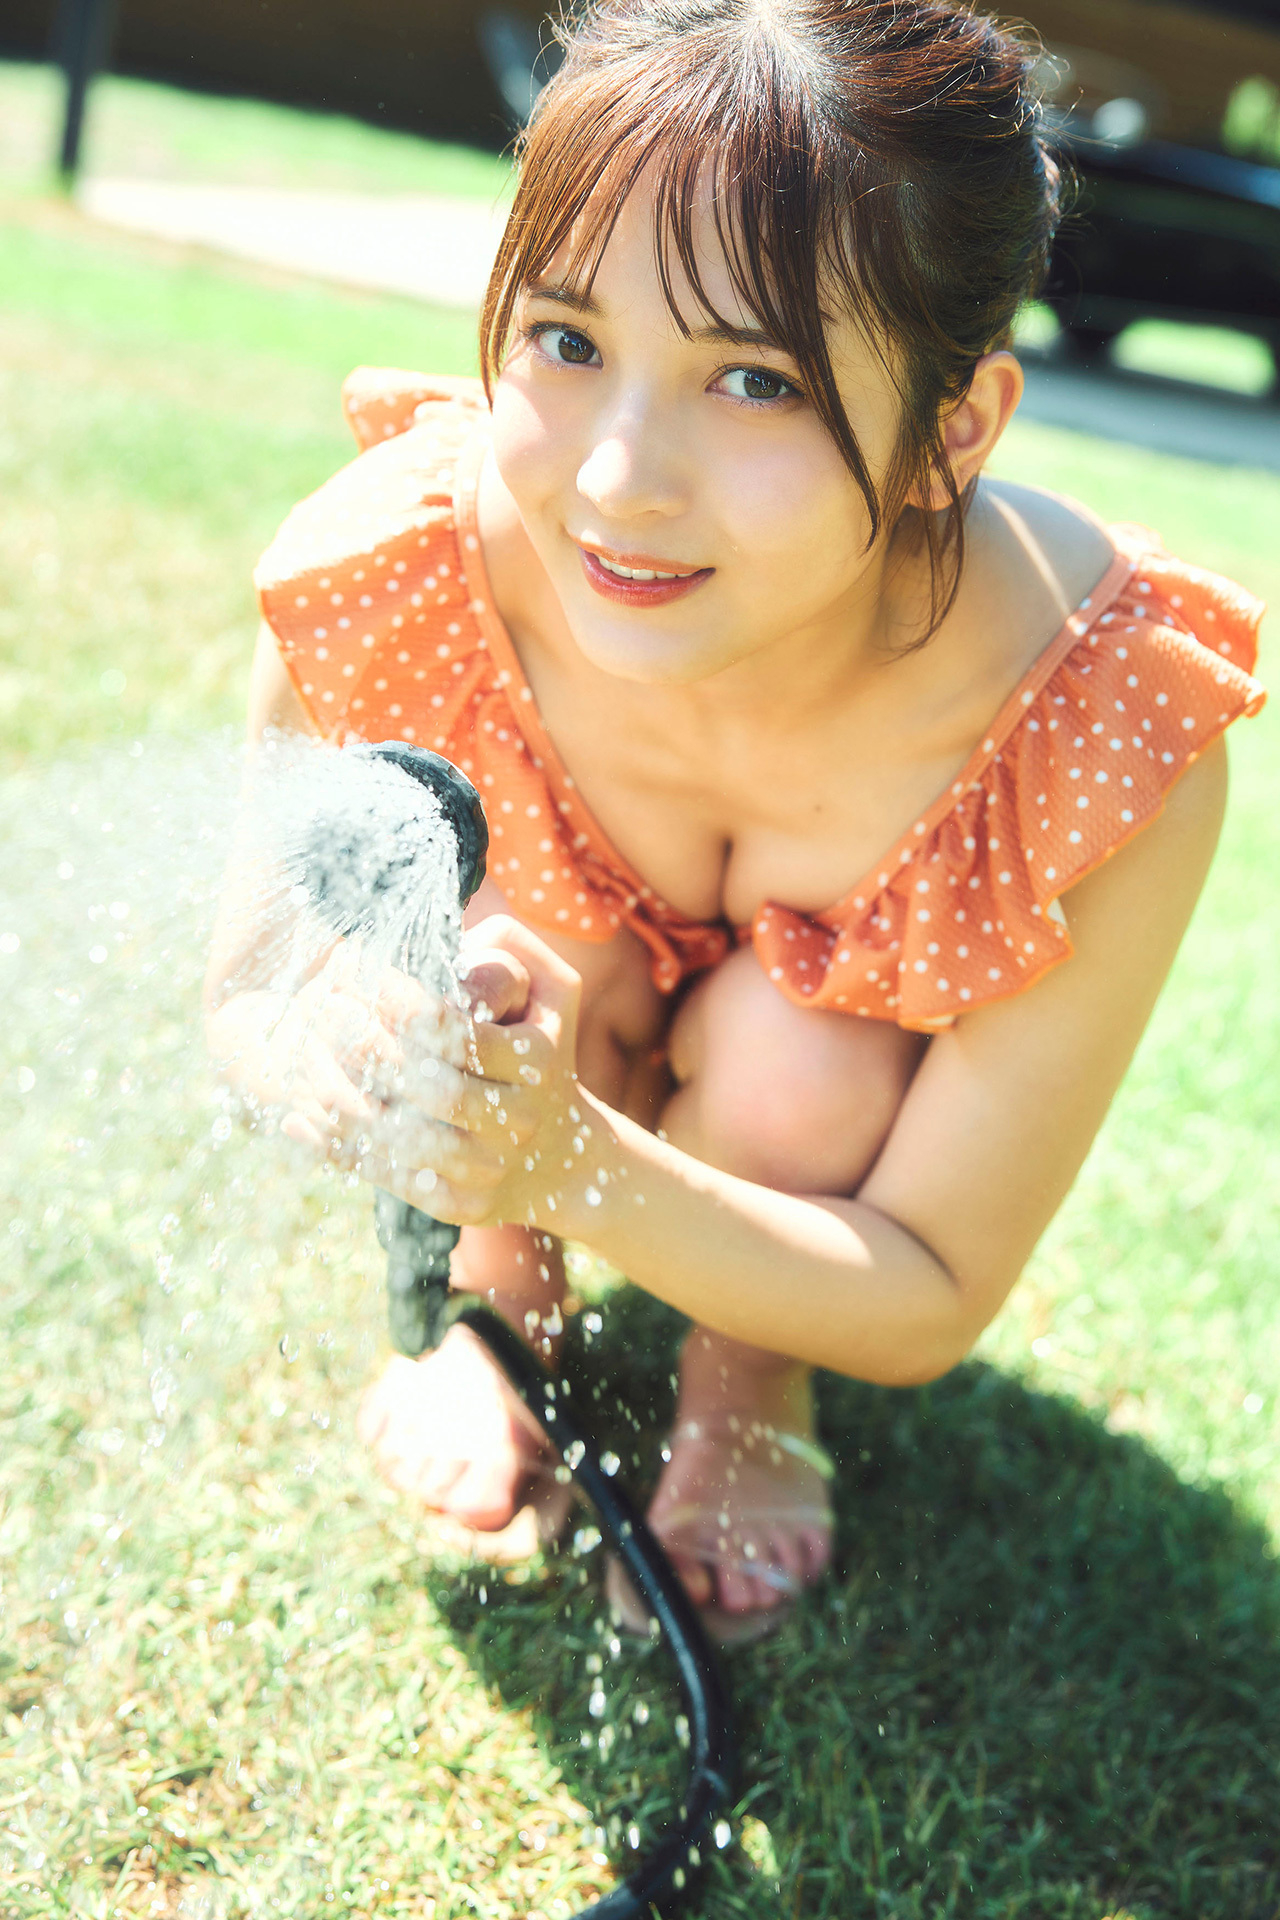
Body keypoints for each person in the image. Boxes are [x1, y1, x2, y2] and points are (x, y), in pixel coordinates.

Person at [207, 0, 1265, 1644]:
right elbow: (253, 990)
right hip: (545, 1042)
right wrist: (384, 1061)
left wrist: (580, 1161)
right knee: (504, 922)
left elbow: (928, 1287)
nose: (620, 479)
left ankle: (749, 1378)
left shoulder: (1090, 718)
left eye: (756, 378)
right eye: (569, 341)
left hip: (796, 1126)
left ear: (956, 429)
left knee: (803, 1050)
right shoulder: (408, 560)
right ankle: (501, 1301)